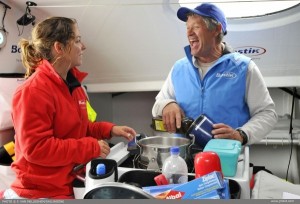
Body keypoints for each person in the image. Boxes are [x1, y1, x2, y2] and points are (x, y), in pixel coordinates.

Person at [1, 17, 136, 199]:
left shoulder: (73, 85)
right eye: (78, 40)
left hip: (65, 185)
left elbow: (79, 128)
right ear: (59, 48)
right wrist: (89, 148)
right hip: (38, 193)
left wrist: (109, 129)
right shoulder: (32, 91)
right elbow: (37, 149)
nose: (84, 46)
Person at [152, 3, 278, 146]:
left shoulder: (244, 68)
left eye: (196, 27)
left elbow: (267, 113)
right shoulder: (179, 68)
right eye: (187, 28)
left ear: (216, 30)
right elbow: (158, 104)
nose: (189, 33)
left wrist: (241, 134)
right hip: (183, 158)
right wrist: (167, 104)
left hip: (226, 157)